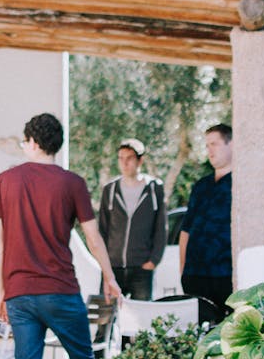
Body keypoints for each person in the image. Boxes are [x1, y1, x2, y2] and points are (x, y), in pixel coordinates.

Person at [0, 113, 122, 359]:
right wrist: (109, 277)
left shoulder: (5, 181)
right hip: (61, 291)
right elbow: (93, 238)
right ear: (57, 144)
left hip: (20, 295)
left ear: (31, 141)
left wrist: (0, 292)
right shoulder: (72, 183)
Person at [96, 138, 167, 301]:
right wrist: (104, 262)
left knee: (141, 320)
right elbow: (103, 228)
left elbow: (161, 227)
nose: (124, 163)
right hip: (112, 267)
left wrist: (153, 261)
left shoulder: (154, 189)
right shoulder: (110, 189)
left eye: (129, 158)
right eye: (121, 158)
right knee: (105, 319)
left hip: (141, 268)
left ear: (140, 160)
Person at [179, 124, 233, 325]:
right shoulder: (200, 186)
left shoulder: (240, 184)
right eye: (207, 145)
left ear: (231, 144)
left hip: (225, 276)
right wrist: (183, 270)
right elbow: (186, 230)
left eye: (215, 144)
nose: (210, 150)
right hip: (195, 276)